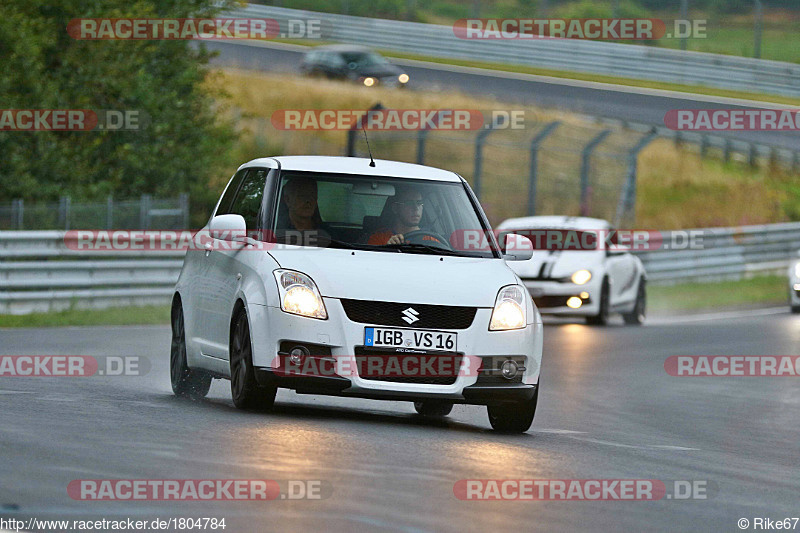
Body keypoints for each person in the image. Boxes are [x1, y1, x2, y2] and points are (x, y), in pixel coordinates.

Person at [367, 186, 441, 245]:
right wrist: (387, 249)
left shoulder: (431, 240)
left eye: (419, 203)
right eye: (409, 203)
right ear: (395, 208)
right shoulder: (379, 238)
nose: (416, 208)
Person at [278, 177, 330, 246]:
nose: (308, 201)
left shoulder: (327, 233)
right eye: (303, 196)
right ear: (288, 200)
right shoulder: (275, 231)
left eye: (312, 196)